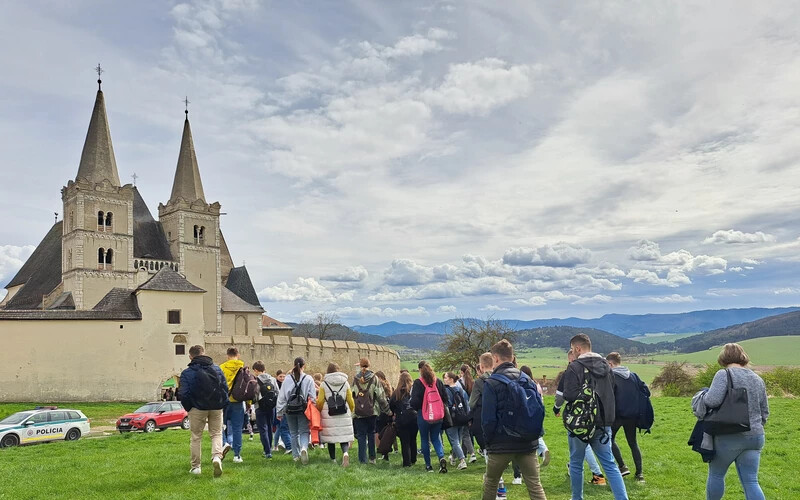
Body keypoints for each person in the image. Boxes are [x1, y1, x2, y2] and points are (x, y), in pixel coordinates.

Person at [699, 343, 769, 500]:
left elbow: (712, 401)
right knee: (751, 481)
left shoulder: (723, 374)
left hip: (729, 435)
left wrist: (703, 394)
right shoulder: (757, 378)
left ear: (723, 358)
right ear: (743, 357)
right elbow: (765, 411)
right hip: (755, 436)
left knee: (716, 475)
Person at [563, 334, 628, 500]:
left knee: (576, 463)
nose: (572, 352)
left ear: (577, 348)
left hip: (580, 423)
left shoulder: (574, 367)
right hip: (604, 422)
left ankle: (577, 498)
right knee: (610, 464)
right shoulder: (607, 367)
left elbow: (569, 395)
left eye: (572, 349)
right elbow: (612, 392)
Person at [481, 339, 547, 500]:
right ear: (512, 357)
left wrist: (489, 442)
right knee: (535, 485)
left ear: (495, 358)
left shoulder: (492, 382)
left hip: (500, 443)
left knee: (491, 483)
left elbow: (488, 419)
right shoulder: (526, 379)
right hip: (527, 442)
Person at [554, 349, 606, 485]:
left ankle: (597, 474)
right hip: (600, 416)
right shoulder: (598, 369)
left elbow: (561, 395)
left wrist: (557, 408)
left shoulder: (571, 371)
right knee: (607, 458)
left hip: (578, 417)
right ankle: (592, 473)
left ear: (571, 359)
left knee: (582, 445)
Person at [178, 345, 229, 477]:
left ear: (190, 356)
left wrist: (189, 407)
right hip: (216, 406)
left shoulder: (187, 373)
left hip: (197, 407)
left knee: (196, 437)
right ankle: (217, 456)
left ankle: (196, 467)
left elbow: (183, 393)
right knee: (216, 433)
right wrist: (222, 403)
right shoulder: (217, 369)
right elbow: (225, 388)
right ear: (204, 353)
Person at [606, 352, 647, 482]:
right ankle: (639, 474)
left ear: (610, 363)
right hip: (632, 415)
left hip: (617, 415)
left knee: (609, 440)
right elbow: (646, 391)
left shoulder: (611, 377)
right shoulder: (633, 376)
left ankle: (622, 466)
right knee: (633, 443)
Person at [410, 360, 449, 473]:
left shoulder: (418, 383)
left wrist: (418, 408)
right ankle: (441, 457)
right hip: (438, 415)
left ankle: (428, 465)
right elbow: (445, 398)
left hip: (424, 414)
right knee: (436, 438)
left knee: (424, 439)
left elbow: (414, 401)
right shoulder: (438, 382)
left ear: (420, 371)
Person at [276, 357, 316, 464]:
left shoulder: (287, 379)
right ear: (304, 366)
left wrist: (279, 412)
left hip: (289, 409)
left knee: (293, 432)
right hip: (303, 409)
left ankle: (295, 455)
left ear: (293, 365)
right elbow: (313, 397)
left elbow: (282, 396)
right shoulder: (308, 379)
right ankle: (303, 447)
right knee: (304, 431)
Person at [316, 362, 355, 467]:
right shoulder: (345, 383)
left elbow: (320, 401)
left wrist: (319, 410)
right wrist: (351, 410)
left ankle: (333, 459)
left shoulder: (324, 384)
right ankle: (345, 453)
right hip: (343, 412)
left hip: (329, 413)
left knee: (331, 438)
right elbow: (350, 399)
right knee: (343, 437)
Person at [352, 358, 390, 464]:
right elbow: (381, 396)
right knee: (371, 433)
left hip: (359, 412)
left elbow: (352, 394)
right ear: (369, 365)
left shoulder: (355, 379)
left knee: (361, 436)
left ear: (360, 366)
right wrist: (387, 410)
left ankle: (362, 459)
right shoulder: (374, 378)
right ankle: (372, 458)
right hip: (372, 411)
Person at [219, 347, 245, 463]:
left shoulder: (222, 368)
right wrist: (249, 403)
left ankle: (224, 443)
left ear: (227, 356)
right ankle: (237, 455)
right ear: (237, 355)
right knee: (237, 429)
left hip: (224, 401)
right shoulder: (242, 368)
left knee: (220, 426)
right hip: (238, 401)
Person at [390, 371, 418, 467]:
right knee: (413, 439)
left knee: (404, 441)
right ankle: (413, 458)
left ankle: (407, 462)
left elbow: (391, 405)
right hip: (414, 418)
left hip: (401, 419)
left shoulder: (396, 393)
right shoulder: (413, 391)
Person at [469, 352, 493, 461]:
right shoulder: (501, 377)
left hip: (483, 416)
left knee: (485, 445)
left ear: (482, 366)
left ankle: (493, 472)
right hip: (500, 415)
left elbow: (471, 403)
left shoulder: (479, 382)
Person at [443, 372, 469, 470]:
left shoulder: (446, 391)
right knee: (458, 439)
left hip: (452, 418)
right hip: (462, 417)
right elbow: (466, 403)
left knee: (454, 440)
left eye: (445, 378)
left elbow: (447, 405)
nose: (444, 379)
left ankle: (462, 461)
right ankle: (453, 457)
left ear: (451, 379)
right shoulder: (460, 389)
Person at [252, 361, 276, 459]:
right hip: (271, 406)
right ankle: (269, 447)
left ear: (256, 370)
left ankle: (267, 451)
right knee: (270, 428)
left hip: (260, 407)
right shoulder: (273, 379)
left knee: (263, 429)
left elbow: (254, 395)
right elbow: (277, 392)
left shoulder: (255, 380)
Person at [458, 364, 477, 463]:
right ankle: (466, 452)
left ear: (461, 372)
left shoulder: (460, 383)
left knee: (463, 433)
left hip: (463, 409)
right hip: (472, 409)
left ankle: (467, 453)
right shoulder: (473, 382)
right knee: (468, 433)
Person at [375, 370, 395, 461]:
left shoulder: (379, 385)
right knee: (385, 432)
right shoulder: (389, 386)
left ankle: (383, 451)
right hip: (387, 412)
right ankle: (385, 452)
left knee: (379, 433)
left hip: (381, 411)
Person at [273, 369, 293, 455]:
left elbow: (281, 399)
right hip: (283, 408)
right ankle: (276, 445)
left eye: (283, 376)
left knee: (283, 428)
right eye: (280, 376)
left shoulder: (286, 385)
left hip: (285, 409)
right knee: (280, 428)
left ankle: (288, 446)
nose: (282, 378)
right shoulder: (276, 384)